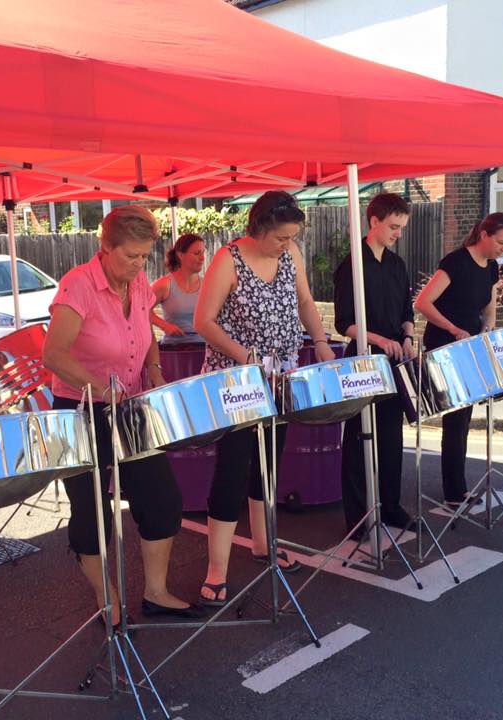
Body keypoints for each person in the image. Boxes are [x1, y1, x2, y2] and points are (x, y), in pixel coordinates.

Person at [42, 205, 202, 625]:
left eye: (145, 256)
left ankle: (156, 593)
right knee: (92, 513)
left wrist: (154, 370)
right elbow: (53, 354)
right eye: (130, 256)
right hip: (80, 409)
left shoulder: (140, 281)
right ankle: (107, 598)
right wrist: (100, 389)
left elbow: (145, 330)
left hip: (128, 405)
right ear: (105, 247)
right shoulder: (78, 285)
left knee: (162, 500)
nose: (138, 264)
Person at [193, 190, 335, 606]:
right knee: (233, 469)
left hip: (279, 376)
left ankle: (264, 544)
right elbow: (204, 321)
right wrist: (246, 357)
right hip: (237, 381)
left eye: (292, 237)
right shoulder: (228, 259)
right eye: (280, 237)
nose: (287, 244)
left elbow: (305, 301)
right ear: (257, 229)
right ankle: (216, 570)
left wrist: (321, 342)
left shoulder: (291, 255)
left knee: (268, 464)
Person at [414, 212, 503, 508]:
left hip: (470, 345)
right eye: (501, 242)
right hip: (445, 343)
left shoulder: (491, 267)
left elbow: (489, 308)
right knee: (455, 419)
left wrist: (487, 330)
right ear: (484, 235)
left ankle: (457, 489)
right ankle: (454, 492)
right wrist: (452, 328)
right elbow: (422, 302)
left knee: (463, 419)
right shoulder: (455, 262)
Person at [333, 193, 415, 533]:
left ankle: (390, 506)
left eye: (402, 227)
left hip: (394, 360)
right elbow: (344, 323)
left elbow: (407, 310)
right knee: (359, 439)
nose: (398, 233)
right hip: (363, 361)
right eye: (393, 226)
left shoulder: (397, 265)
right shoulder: (351, 265)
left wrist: (408, 336)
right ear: (374, 222)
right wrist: (379, 340)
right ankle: (358, 518)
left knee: (391, 437)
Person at [151, 232, 205, 343]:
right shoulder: (165, 284)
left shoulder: (208, 284)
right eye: (196, 253)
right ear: (180, 255)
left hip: (205, 348)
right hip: (174, 348)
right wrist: (164, 326)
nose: (202, 258)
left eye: (203, 252)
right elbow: (140, 308)